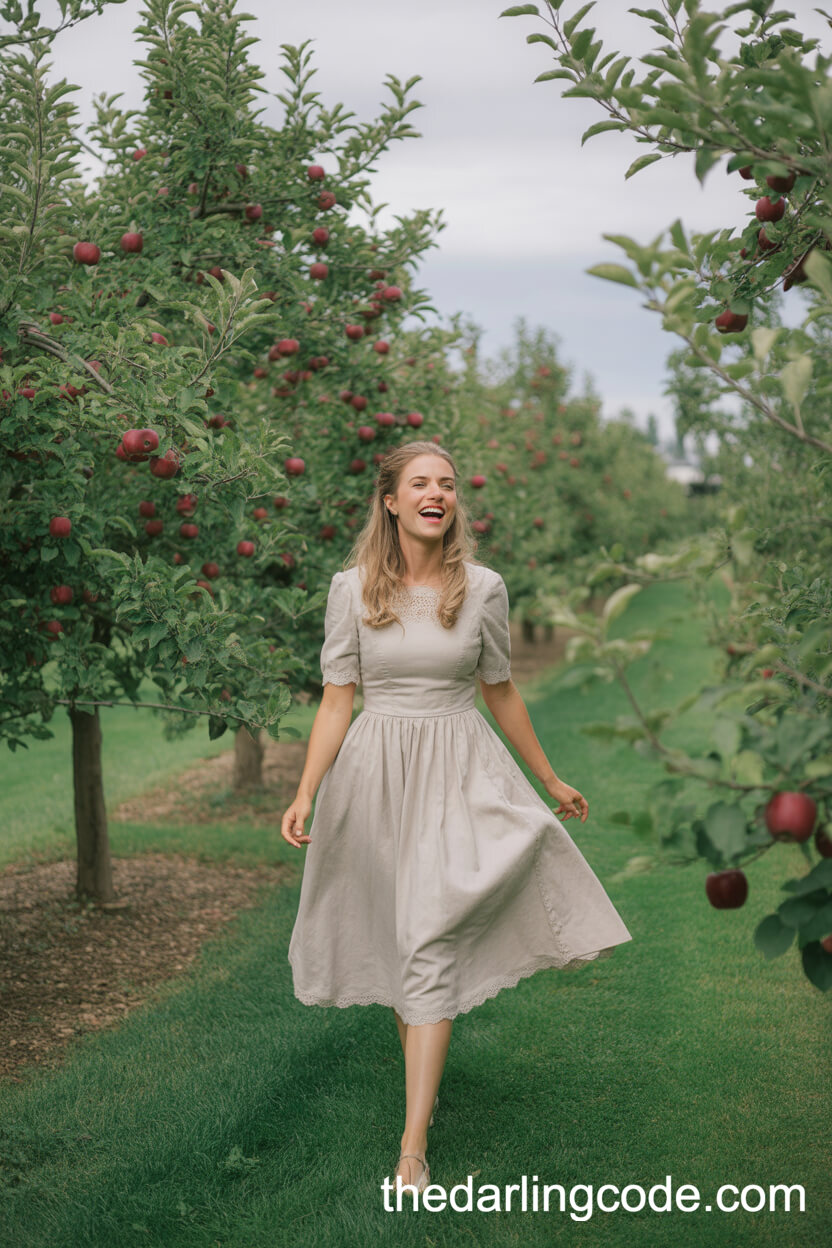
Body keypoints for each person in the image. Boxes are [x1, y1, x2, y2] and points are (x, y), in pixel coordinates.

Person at [281, 441, 633, 1195]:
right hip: (375, 778)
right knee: (402, 936)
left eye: (446, 483)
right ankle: (422, 1087)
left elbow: (499, 688)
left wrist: (547, 778)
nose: (436, 492)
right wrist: (307, 789)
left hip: (458, 771)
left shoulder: (482, 588)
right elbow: (338, 697)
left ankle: (412, 1147)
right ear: (392, 500)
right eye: (420, 483)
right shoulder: (351, 590)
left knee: (431, 933)